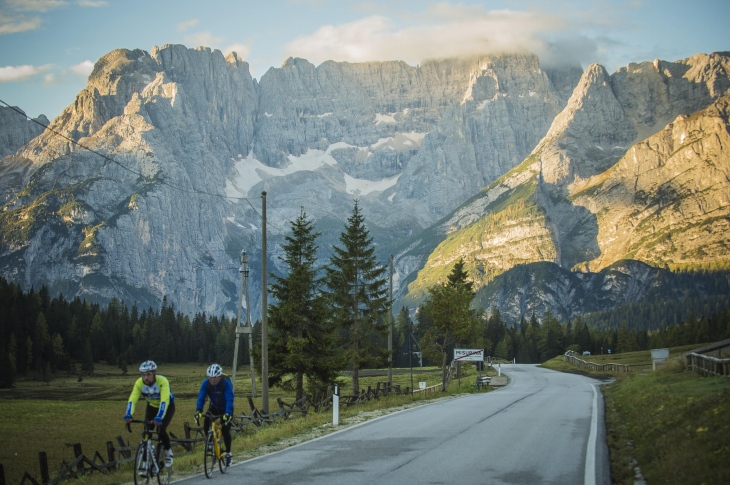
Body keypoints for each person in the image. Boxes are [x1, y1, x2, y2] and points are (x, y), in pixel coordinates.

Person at [124, 360, 176, 470]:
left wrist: (159, 417)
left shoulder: (162, 381)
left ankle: (168, 451)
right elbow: (133, 399)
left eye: (148, 374)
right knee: (146, 434)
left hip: (167, 407)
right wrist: (128, 414)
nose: (145, 378)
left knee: (161, 429)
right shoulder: (139, 383)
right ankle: (144, 464)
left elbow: (164, 401)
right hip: (152, 407)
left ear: (154, 374)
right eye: (143, 375)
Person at [196, 363, 234, 466]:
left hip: (226, 408)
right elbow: (201, 397)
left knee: (225, 429)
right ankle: (210, 443)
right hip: (214, 407)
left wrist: (228, 413)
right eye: (210, 378)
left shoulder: (225, 383)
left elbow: (229, 399)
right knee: (206, 422)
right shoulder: (206, 384)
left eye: (215, 378)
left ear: (220, 376)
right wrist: (198, 410)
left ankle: (228, 454)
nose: (212, 380)